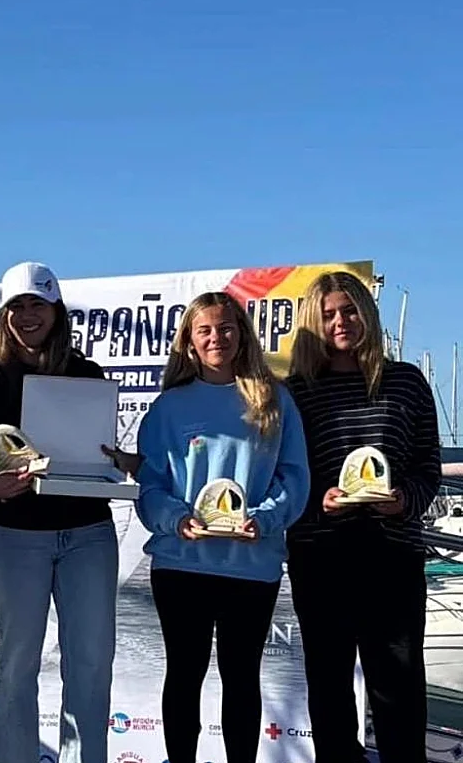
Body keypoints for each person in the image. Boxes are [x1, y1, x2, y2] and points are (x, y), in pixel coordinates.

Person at [105, 291, 310, 763]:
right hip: (182, 565)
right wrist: (176, 520)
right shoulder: (169, 407)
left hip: (251, 566)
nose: (216, 337)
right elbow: (152, 485)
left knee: (241, 678)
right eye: (205, 330)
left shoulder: (275, 401)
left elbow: (294, 477)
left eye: (225, 328)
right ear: (190, 343)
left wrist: (265, 518)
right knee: (184, 673)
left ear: (241, 335)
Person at [0, 261, 117, 763]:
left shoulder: (88, 375)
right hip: (15, 536)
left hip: (88, 534)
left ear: (56, 311)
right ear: (5, 316)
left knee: (90, 666)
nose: (28, 316)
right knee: (17, 665)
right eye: (18, 306)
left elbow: (99, 456)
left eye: (38, 305)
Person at [285, 271, 440, 763]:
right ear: (313, 321)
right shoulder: (296, 393)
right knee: (328, 685)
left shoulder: (406, 381)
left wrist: (404, 499)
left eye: (349, 310)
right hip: (320, 553)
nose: (340, 322)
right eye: (328, 314)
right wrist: (318, 502)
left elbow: (427, 466)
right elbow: (287, 476)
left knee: (398, 684)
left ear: (367, 315)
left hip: (392, 551)